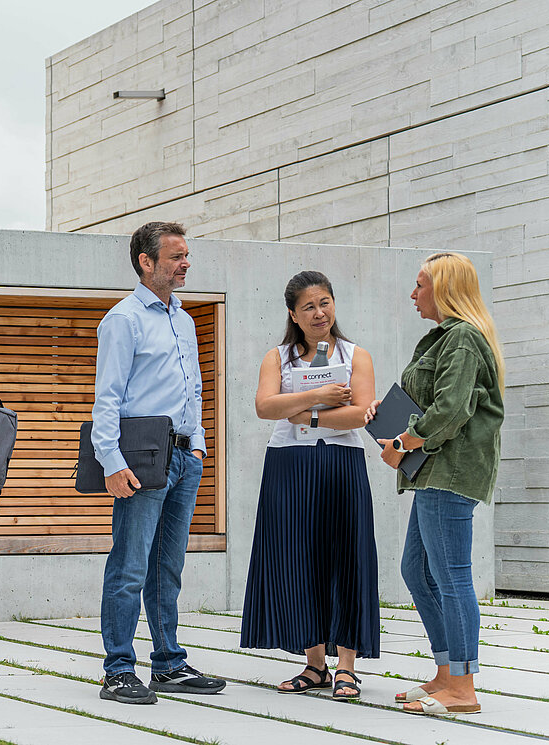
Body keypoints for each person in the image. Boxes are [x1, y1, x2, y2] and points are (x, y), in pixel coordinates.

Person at [93, 221, 225, 705]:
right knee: (130, 565)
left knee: (167, 567)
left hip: (185, 456)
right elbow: (106, 399)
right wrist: (110, 461)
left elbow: (193, 389)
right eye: (175, 256)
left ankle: (168, 664)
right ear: (146, 262)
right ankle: (118, 670)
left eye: (186, 255)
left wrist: (199, 447)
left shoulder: (184, 319)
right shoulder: (123, 320)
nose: (185, 263)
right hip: (143, 458)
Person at [368, 252, 504, 716]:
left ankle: (463, 689)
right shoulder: (441, 340)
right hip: (433, 470)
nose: (413, 293)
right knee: (417, 571)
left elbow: (451, 410)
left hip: (451, 470)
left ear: (444, 289)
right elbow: (425, 400)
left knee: (451, 575)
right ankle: (447, 673)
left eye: (420, 284)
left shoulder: (462, 338)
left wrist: (402, 444)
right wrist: (383, 414)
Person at [240, 271, 380, 700]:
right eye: (308, 307)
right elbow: (266, 406)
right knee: (297, 561)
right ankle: (315, 664)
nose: (319, 313)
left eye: (325, 303)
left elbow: (360, 414)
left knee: (347, 555)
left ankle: (348, 668)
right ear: (293, 314)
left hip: (341, 463)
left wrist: (307, 414)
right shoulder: (276, 357)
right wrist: (314, 399)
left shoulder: (357, 355)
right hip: (289, 464)